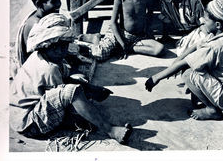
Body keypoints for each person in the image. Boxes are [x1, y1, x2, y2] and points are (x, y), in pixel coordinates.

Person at [10, 13, 132, 144]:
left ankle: (86, 117)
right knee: (73, 93)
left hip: (23, 114)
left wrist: (90, 89)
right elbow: (65, 97)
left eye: (65, 45)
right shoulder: (49, 69)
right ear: (51, 46)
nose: (65, 50)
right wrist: (85, 114)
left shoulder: (42, 56)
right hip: (29, 124)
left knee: (78, 86)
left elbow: (64, 80)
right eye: (62, 46)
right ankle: (110, 130)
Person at [145, 0, 223, 120]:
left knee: (188, 73)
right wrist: (177, 60)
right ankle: (205, 95)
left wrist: (156, 77)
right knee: (198, 64)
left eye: (206, 20)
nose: (202, 22)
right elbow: (194, 47)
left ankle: (213, 110)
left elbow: (184, 63)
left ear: (217, 25)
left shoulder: (216, 46)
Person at [78, 0, 164, 61]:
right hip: (121, 33)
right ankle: (95, 38)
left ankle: (130, 48)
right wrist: (121, 43)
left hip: (138, 36)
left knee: (159, 49)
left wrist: (148, 31)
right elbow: (113, 23)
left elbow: (149, 15)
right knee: (99, 55)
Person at [15, 0, 61, 67]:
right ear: (39, 4)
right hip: (36, 69)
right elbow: (45, 58)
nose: (59, 4)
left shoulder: (45, 19)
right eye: (54, 1)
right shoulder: (37, 25)